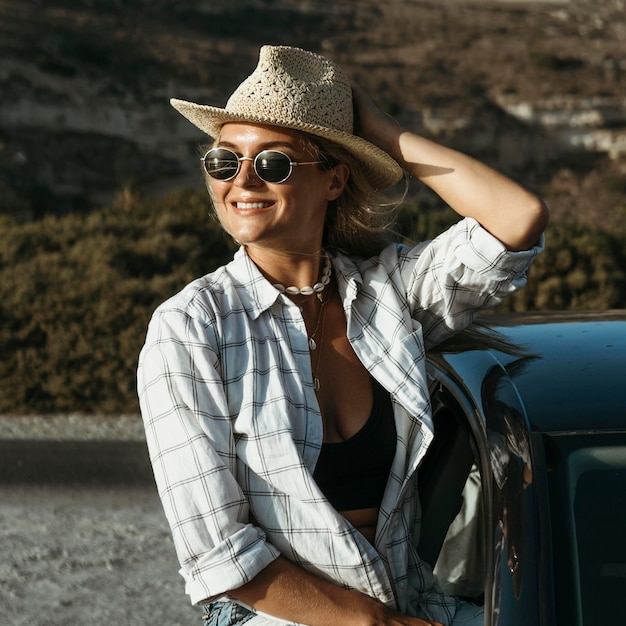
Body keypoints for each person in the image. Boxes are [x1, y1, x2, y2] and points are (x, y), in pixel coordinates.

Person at [137, 45, 548, 626]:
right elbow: (218, 555)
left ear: (335, 181)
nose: (242, 180)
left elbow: (517, 219)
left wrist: (388, 134)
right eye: (224, 161)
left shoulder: (391, 295)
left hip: (408, 606)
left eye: (274, 163)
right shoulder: (191, 328)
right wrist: (373, 624)